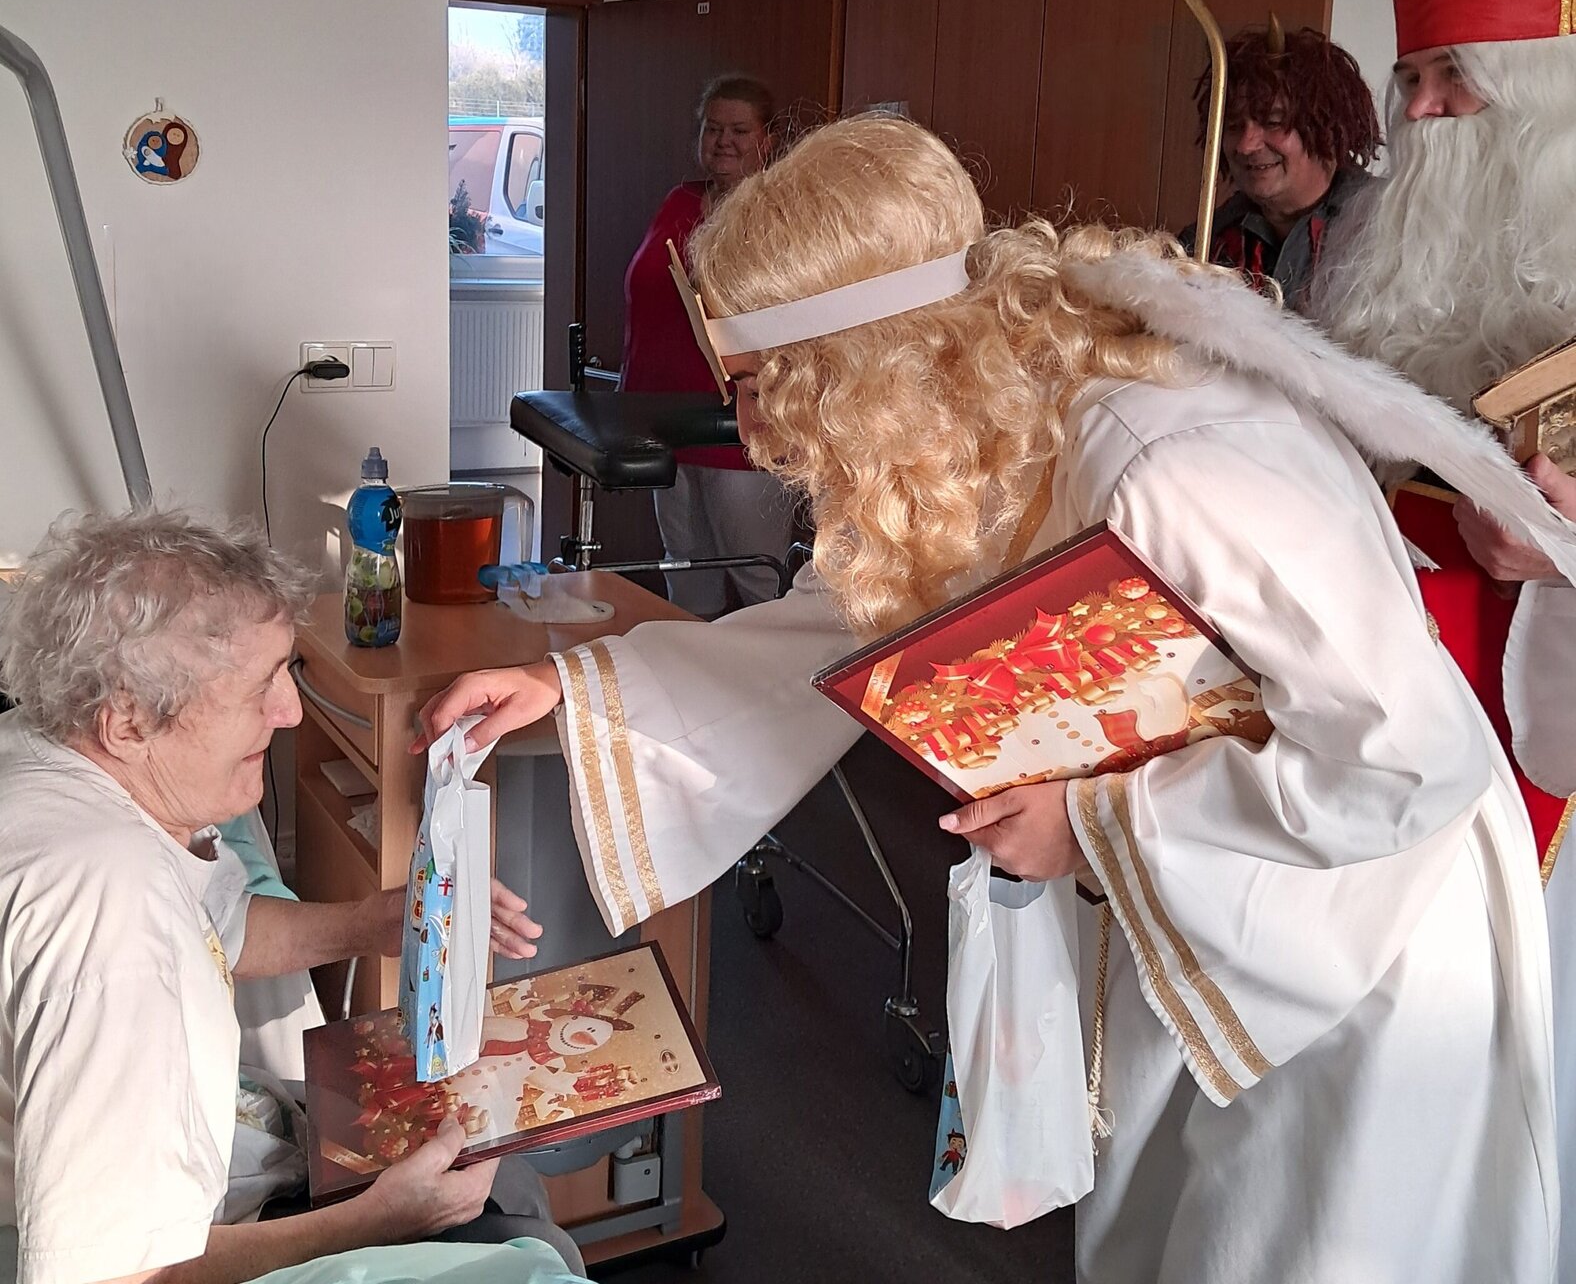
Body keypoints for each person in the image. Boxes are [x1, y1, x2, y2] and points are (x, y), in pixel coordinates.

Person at [418, 112, 1576, 1283]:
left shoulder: (1167, 461)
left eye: (762, 385)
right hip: (1197, 890)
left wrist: (1089, 822)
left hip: (1359, 920)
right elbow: (847, 624)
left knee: (1296, 1247)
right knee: (1162, 1236)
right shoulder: (995, 417)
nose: (751, 432)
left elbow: (1407, 757)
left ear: (862, 361)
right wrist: (571, 685)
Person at [0, 509, 583, 1284]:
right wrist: (375, 1222)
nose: (291, 712)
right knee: (525, 1231)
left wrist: (372, 922)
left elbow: (221, 927)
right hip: (139, 1252)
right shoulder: (112, 918)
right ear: (129, 721)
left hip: (175, 1181)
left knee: (508, 1188)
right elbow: (110, 1276)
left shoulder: (46, 746)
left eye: (287, 670)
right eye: (259, 688)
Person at [1312, 0, 1576, 1281]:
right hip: (1380, 769)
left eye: (1450, 76)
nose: (1418, 113)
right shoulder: (1399, 276)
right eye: (1411, 77)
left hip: (1542, 793)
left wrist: (1561, 557)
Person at [619, 74, 798, 617]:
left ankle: (769, 671)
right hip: (666, 421)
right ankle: (690, 666)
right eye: (713, 128)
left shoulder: (780, 215)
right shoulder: (680, 200)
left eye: (739, 130)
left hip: (739, 427)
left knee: (757, 578)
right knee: (684, 570)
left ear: (766, 140)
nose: (723, 141)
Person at [1180, 23, 1380, 302]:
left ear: (1328, 126)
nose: (1246, 145)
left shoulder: (1390, 228)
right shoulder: (1205, 242)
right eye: (1234, 125)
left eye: (1273, 122)